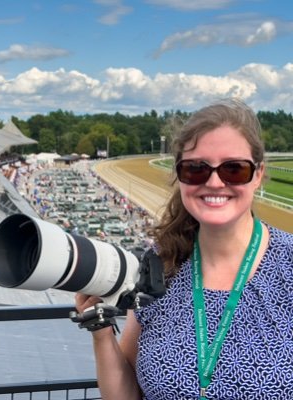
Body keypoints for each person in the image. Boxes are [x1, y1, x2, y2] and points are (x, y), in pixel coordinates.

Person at [75, 98, 293, 399]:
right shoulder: (160, 265)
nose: (215, 182)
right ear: (180, 176)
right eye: (196, 169)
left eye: (234, 169)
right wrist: (100, 330)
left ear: (257, 175)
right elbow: (126, 396)